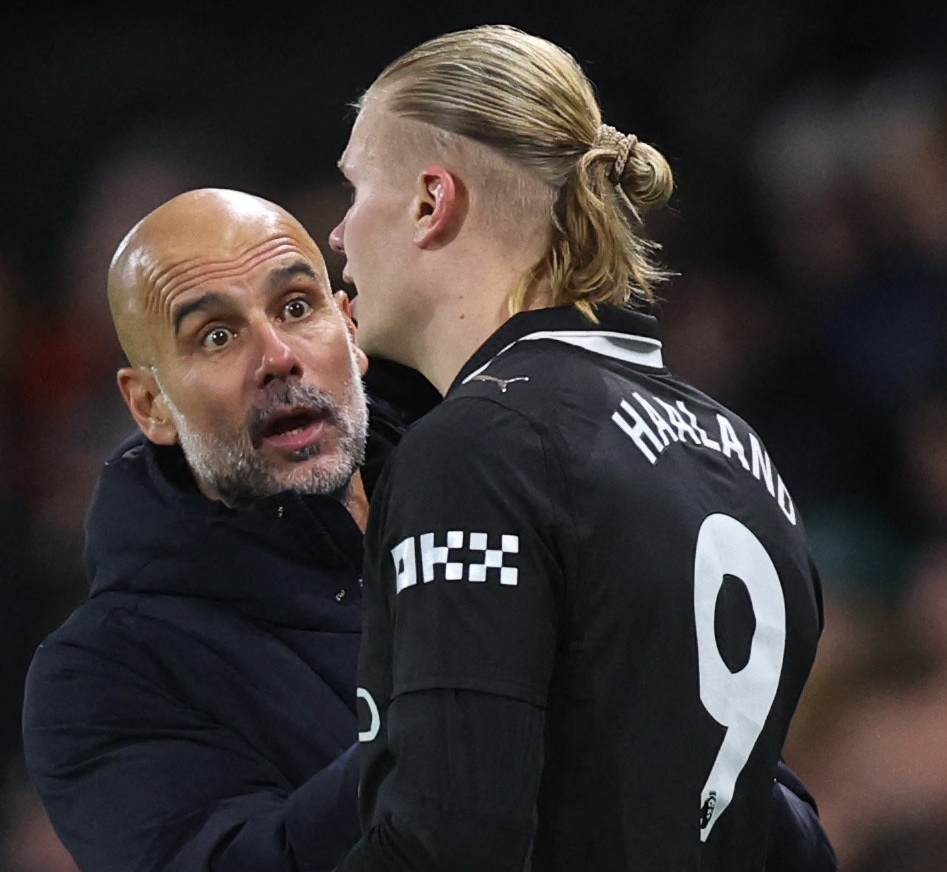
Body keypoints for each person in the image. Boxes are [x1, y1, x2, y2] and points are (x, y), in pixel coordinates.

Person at [330, 25, 830, 870]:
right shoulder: (735, 449)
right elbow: (787, 836)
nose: (338, 235)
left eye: (354, 190)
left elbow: (448, 839)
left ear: (430, 201)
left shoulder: (480, 447)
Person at [21, 187, 411, 871]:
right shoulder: (105, 676)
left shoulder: (486, 507)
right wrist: (445, 716)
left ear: (351, 329)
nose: (277, 356)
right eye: (217, 336)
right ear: (150, 406)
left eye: (297, 307)